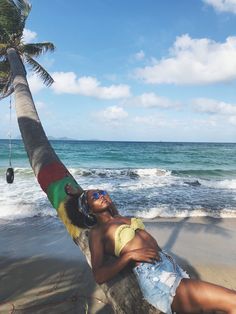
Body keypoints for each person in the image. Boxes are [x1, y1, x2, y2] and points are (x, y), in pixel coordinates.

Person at [65, 185, 236, 314]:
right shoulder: (97, 232)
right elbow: (99, 274)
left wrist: (78, 194)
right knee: (232, 300)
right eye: (95, 196)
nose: (101, 195)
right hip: (157, 278)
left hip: (170, 268)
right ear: (87, 209)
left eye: (102, 192)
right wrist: (129, 256)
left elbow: (99, 205)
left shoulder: (118, 217)